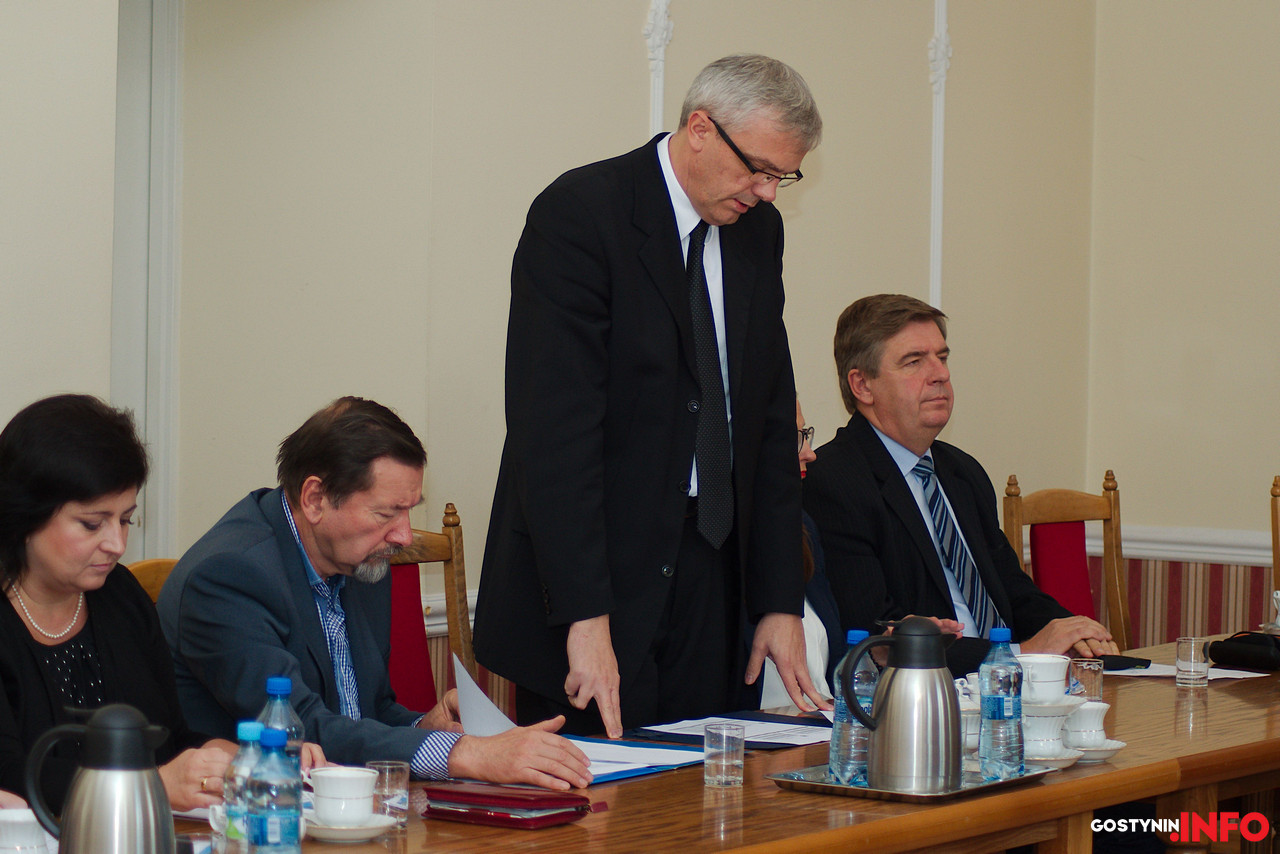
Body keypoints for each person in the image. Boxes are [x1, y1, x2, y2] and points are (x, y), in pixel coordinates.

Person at [474, 54, 829, 738]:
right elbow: (555, 434)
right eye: (758, 169)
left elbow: (765, 413)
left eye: (782, 177)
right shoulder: (583, 214)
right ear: (700, 129)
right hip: (597, 579)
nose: (767, 193)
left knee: (710, 791)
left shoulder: (758, 233)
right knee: (598, 796)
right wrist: (585, 615)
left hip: (713, 572)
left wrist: (780, 599)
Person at [160, 397, 591, 790]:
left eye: (409, 511)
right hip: (252, 817)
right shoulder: (229, 577)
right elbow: (303, 729)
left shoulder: (361, 559)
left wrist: (424, 727)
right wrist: (467, 754)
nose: (404, 536)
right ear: (315, 498)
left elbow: (368, 712)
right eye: (386, 513)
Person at [802, 295, 1119, 677]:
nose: (940, 374)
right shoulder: (833, 480)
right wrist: (1020, 654)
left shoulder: (962, 472)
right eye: (914, 361)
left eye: (942, 357)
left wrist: (1075, 632)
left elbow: (1012, 590)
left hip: (1009, 686)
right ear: (863, 385)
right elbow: (874, 633)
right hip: (923, 694)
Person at [0, 395, 237, 812]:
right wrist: (150, 784)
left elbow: (168, 742)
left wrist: (221, 758)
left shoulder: (120, 595)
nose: (117, 544)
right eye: (92, 524)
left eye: (125, 520)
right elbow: (10, 778)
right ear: (24, 515)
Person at [758, 401, 844, 707]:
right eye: (794, 438)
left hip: (816, 725)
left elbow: (827, 668)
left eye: (806, 435)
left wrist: (881, 651)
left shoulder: (802, 526)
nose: (810, 453)